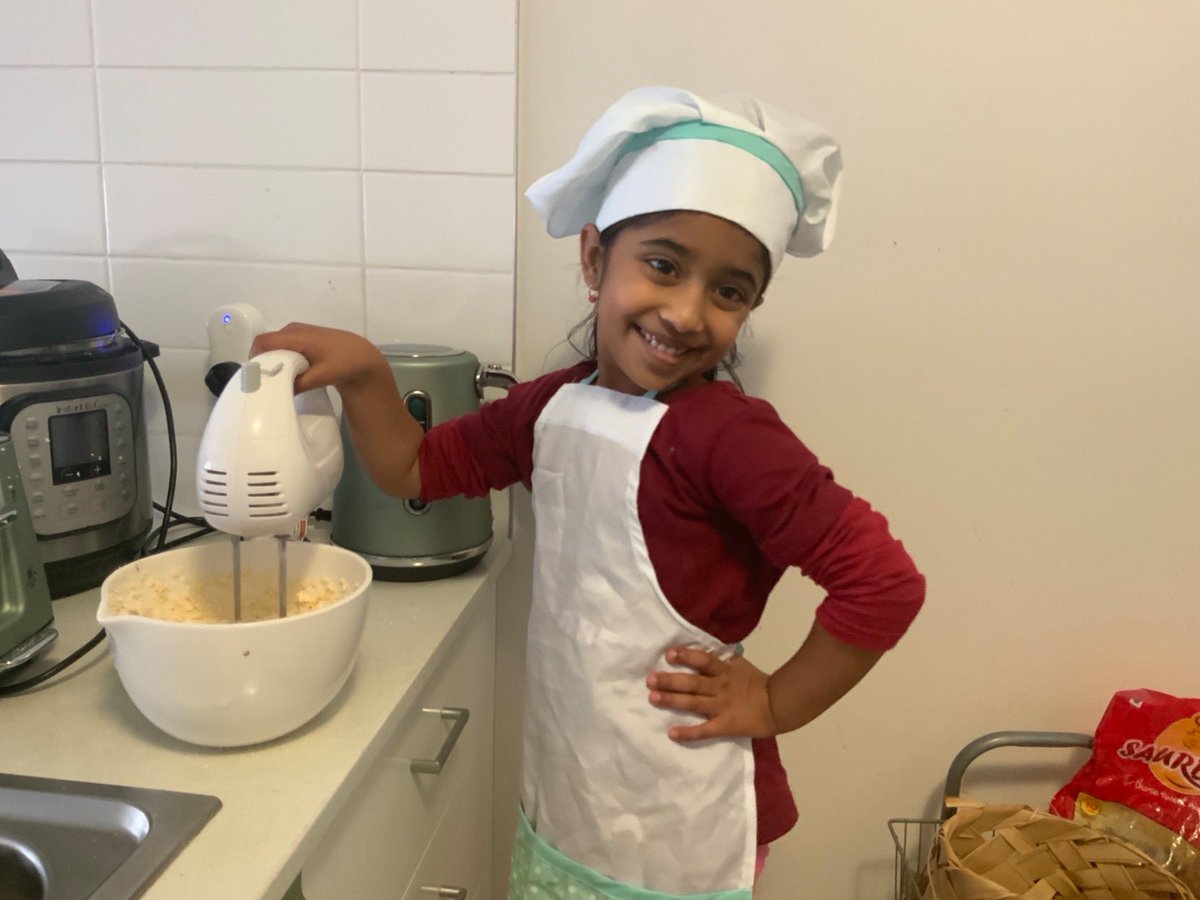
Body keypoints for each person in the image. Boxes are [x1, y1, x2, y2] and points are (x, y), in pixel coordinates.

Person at [253, 85, 925, 899]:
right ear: (593, 257)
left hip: (681, 814)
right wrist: (364, 373)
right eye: (664, 265)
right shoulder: (546, 409)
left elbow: (884, 583)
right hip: (573, 801)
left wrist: (777, 702)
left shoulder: (731, 437)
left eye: (729, 290)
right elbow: (413, 471)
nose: (685, 311)